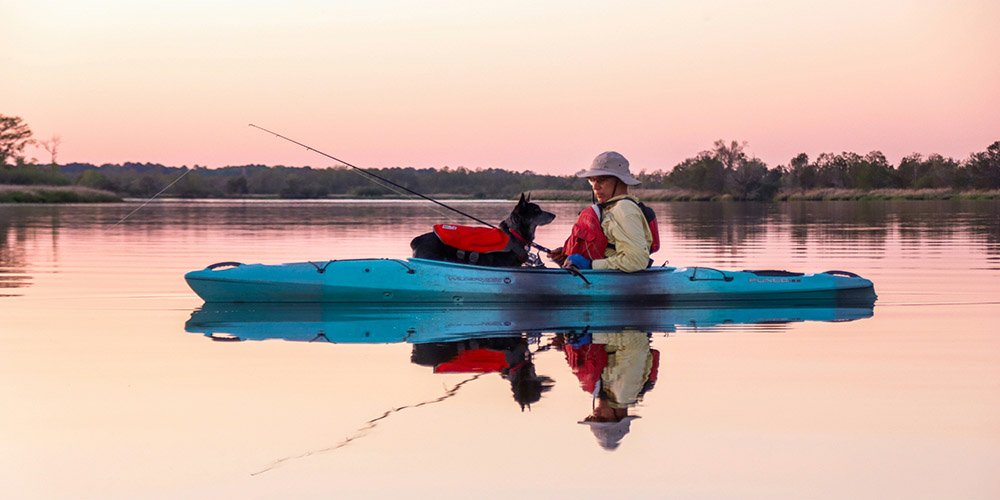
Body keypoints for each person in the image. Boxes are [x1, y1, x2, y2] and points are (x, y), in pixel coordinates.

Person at [547, 151, 653, 272]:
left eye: (601, 180)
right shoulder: (611, 208)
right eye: (592, 180)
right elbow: (609, 248)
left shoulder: (624, 209)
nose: (595, 186)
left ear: (620, 181)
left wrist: (590, 265)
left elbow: (636, 261)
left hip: (619, 285)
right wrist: (568, 253)